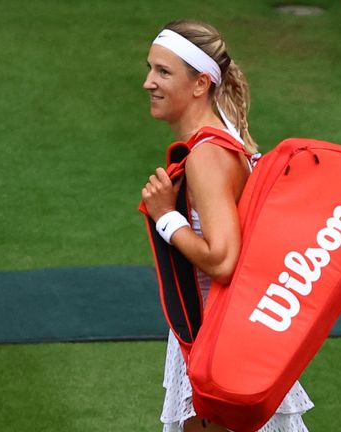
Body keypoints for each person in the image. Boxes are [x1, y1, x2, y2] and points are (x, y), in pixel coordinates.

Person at [140, 20, 314, 432]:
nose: (149, 82)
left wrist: (166, 217)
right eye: (150, 68)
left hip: (217, 342)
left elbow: (222, 261)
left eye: (164, 72)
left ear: (200, 84)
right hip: (228, 338)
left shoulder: (208, 155)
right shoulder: (220, 143)